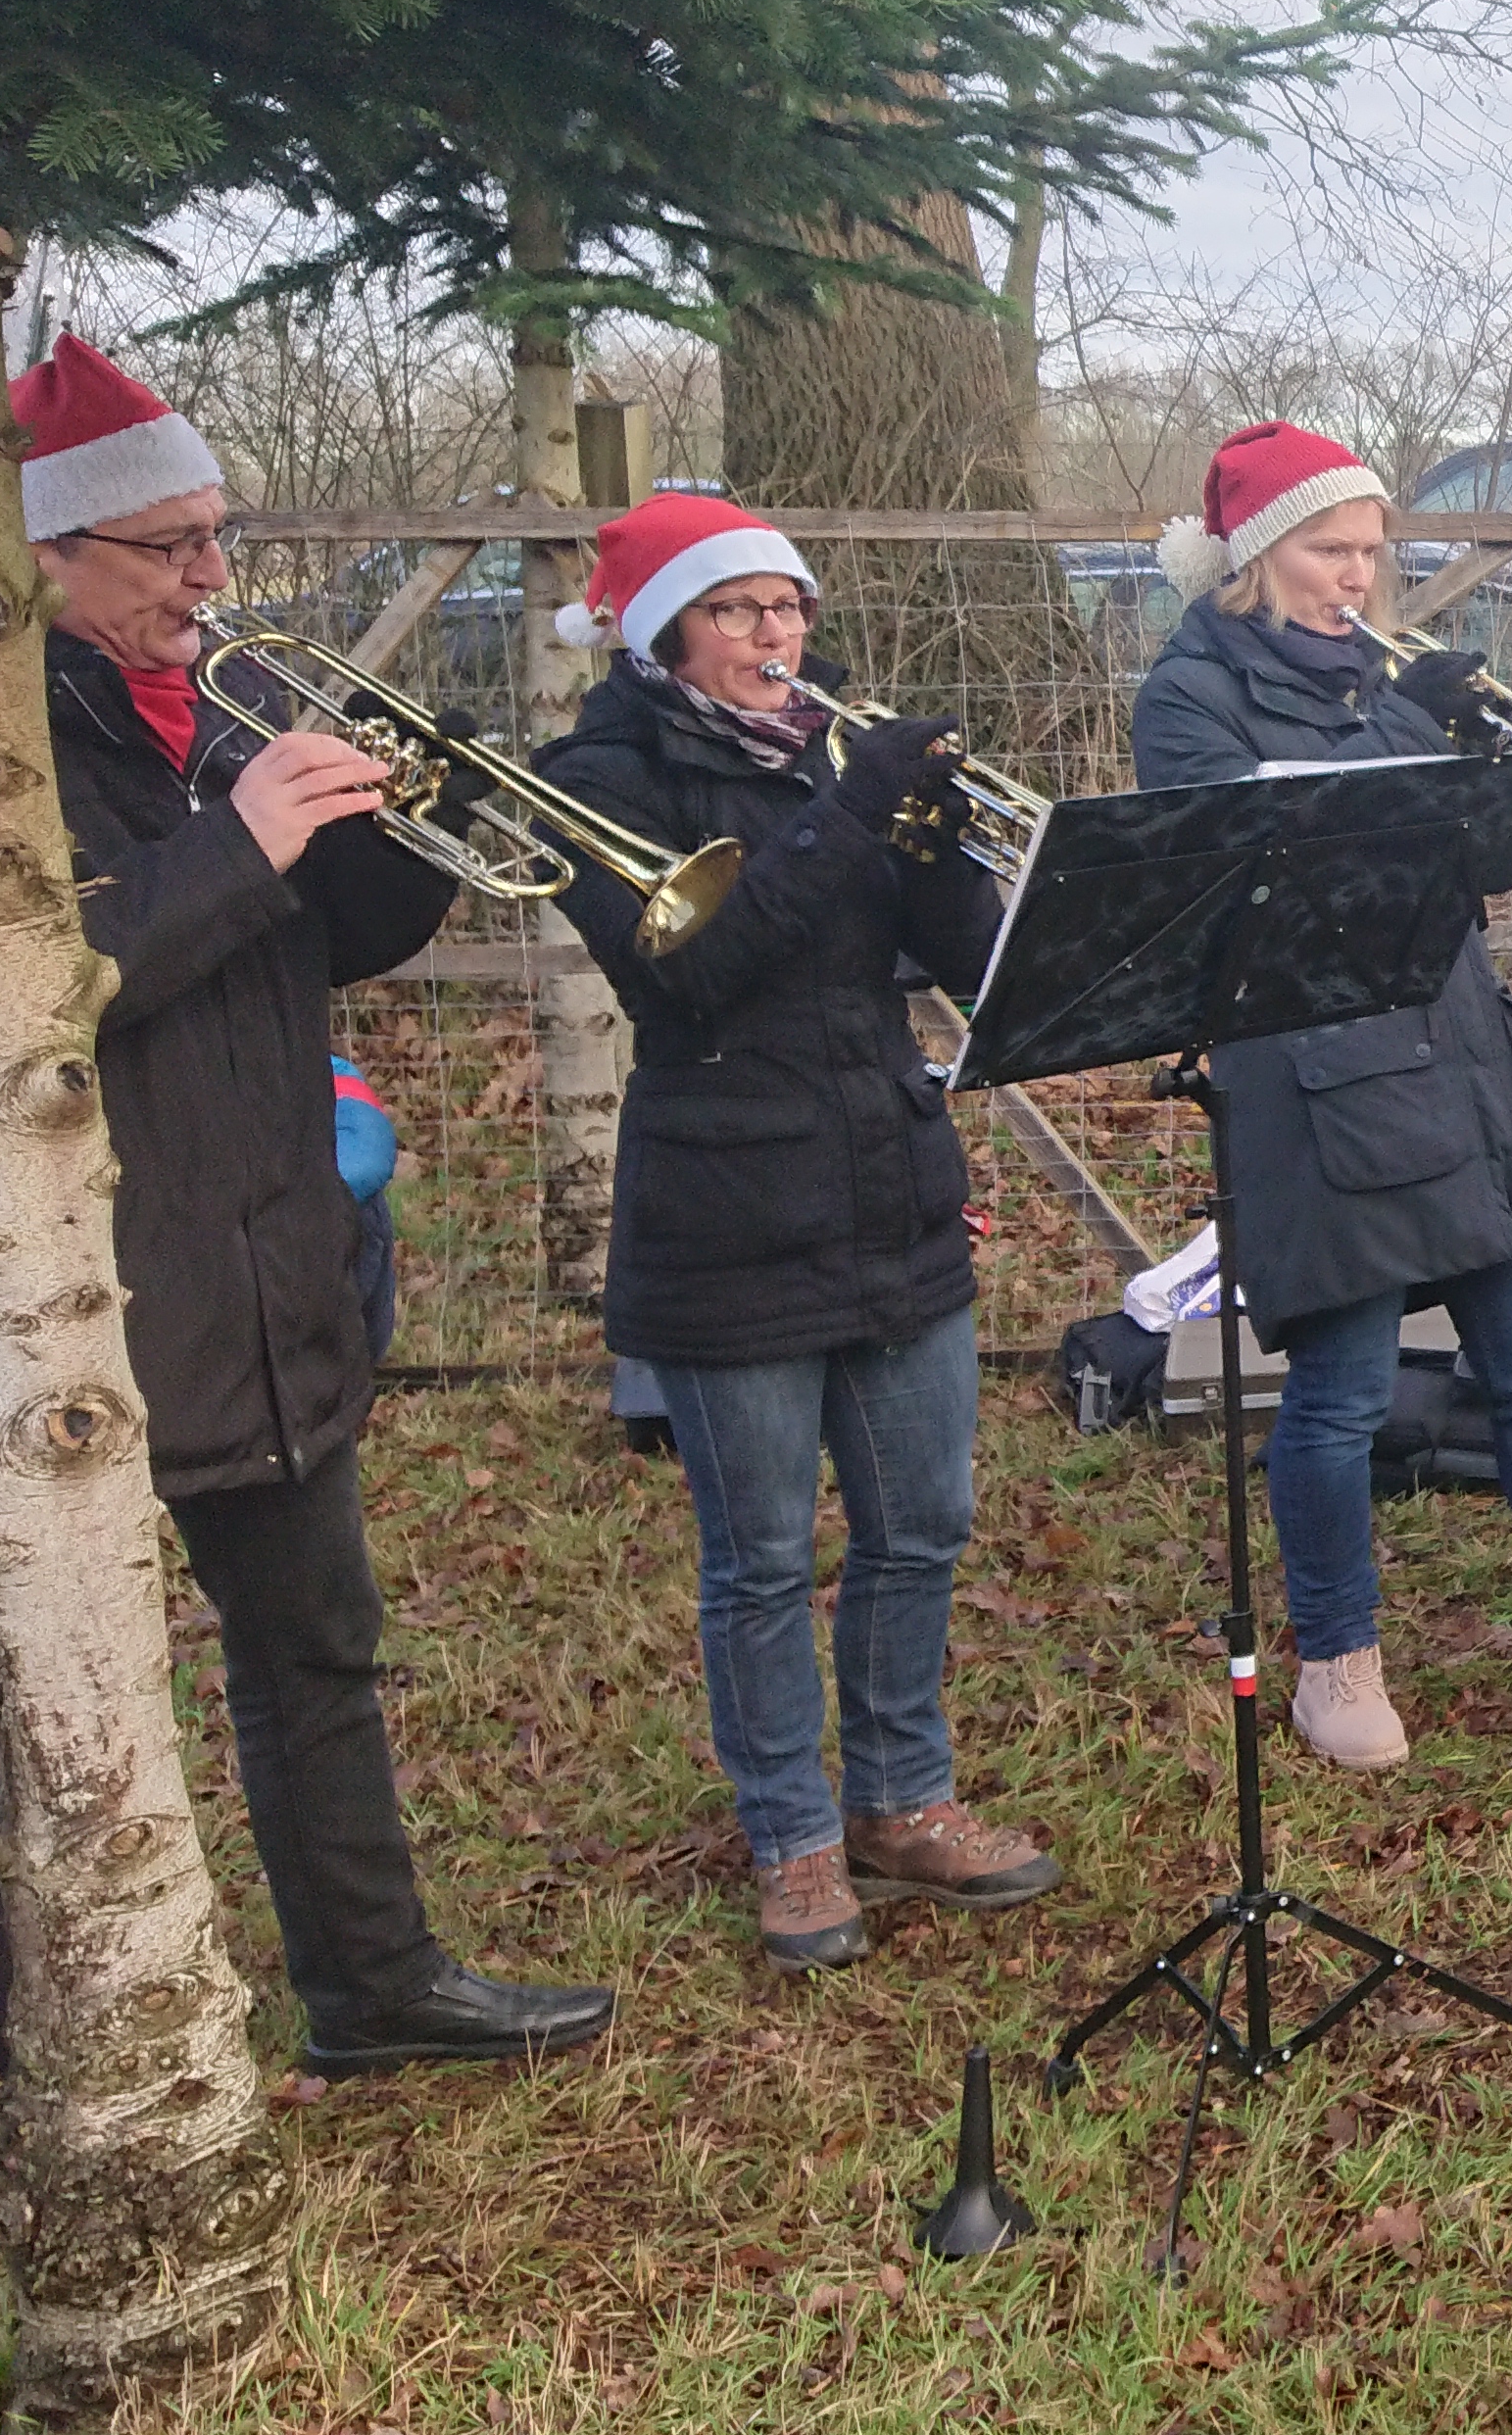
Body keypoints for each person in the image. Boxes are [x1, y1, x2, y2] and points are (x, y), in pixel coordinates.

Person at [0, 337, 612, 2077]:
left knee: (315, 1649)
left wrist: (391, 819)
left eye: (217, 534)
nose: (214, 577)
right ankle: (62, 2060)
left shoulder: (225, 696)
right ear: (47, 554)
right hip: (31, 1304)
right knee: (23, 1707)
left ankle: (376, 1992)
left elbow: (323, 938)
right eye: (169, 545)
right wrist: (241, 839)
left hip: (256, 1264)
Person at [1131, 420, 1512, 1763]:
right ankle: (1337, 1660)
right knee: (1338, 1391)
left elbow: (1499, 862)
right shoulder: (1192, 693)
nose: (1357, 577)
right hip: (1315, 1074)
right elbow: (1244, 870)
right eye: (1331, 550)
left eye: (1370, 553)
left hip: (1457, 1054)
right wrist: (1410, 755)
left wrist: (1489, 763)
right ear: (1256, 556)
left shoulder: (1388, 676)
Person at [534, 494, 1061, 1970]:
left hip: (887, 1182)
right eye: (741, 611)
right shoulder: (596, 776)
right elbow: (699, 976)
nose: (781, 638)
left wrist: (944, 839)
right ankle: (794, 1839)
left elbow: (961, 961)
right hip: (722, 1207)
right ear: (667, 633)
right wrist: (852, 807)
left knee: (920, 1529)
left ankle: (904, 1801)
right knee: (761, 1555)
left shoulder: (834, 758)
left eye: (793, 609)